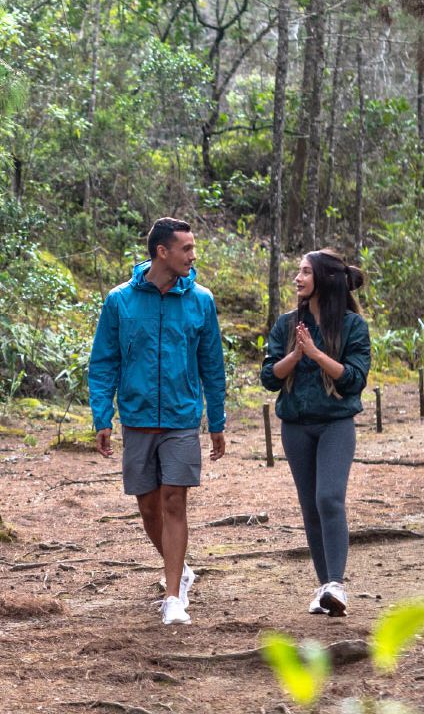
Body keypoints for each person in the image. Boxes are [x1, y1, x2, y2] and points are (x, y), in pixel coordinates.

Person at [88, 217, 227, 626]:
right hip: (137, 418)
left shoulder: (201, 299)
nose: (193, 256)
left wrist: (216, 421)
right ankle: (179, 568)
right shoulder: (120, 300)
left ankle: (173, 599)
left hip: (183, 418)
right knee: (148, 508)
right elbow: (103, 362)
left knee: (173, 501)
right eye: (186, 248)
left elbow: (212, 365)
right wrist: (102, 416)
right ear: (161, 252)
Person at [260, 249, 371, 617]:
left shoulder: (353, 327)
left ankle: (337, 583)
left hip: (335, 423)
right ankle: (325, 589)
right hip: (296, 426)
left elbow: (354, 379)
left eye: (305, 272)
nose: (298, 278)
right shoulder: (288, 324)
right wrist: (296, 355)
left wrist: (317, 354)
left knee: (329, 499)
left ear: (323, 278)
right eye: (298, 271)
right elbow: (268, 378)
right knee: (310, 507)